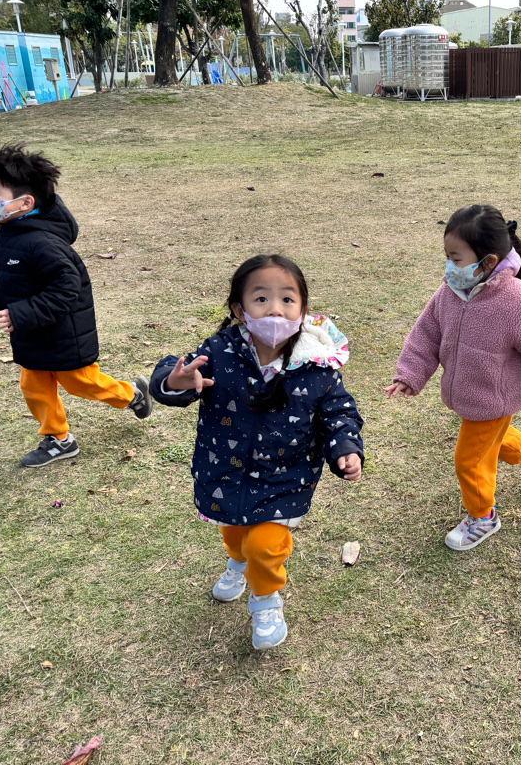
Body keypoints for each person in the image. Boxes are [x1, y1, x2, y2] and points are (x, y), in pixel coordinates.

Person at [150, 254, 364, 650]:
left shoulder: (317, 364)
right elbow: (178, 377)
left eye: (287, 299)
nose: (275, 309)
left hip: (285, 477)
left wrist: (345, 448)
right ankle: (238, 561)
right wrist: (174, 381)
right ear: (240, 309)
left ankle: (265, 599)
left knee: (264, 546)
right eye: (261, 298)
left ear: (303, 309)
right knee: (234, 534)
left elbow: (338, 412)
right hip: (223, 469)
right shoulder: (220, 350)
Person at [386, 204, 521, 552]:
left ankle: (483, 517)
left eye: (456, 259)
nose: (449, 266)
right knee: (493, 443)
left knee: (469, 460)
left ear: (487, 261)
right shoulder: (450, 291)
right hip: (469, 395)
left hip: (493, 396)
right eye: (447, 257)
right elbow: (425, 334)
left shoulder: (518, 302)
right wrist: (410, 374)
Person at [0, 143, 153, 467]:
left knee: (81, 383)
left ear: (25, 202)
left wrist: (18, 313)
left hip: (62, 332)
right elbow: (20, 279)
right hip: (32, 331)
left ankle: (132, 394)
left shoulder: (43, 243)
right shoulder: (9, 230)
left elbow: (66, 290)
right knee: (33, 386)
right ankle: (58, 439)